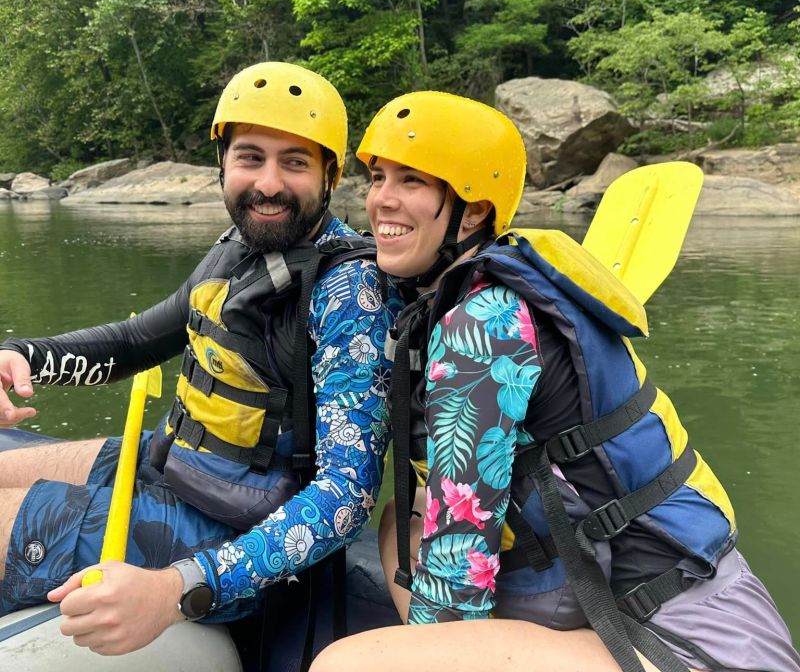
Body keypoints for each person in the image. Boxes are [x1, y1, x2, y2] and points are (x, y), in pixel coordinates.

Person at [310, 91, 799, 672]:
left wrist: (424, 649)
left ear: (472, 211)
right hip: (708, 596)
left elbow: (455, 590)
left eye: (412, 181)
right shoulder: (509, 285)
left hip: (679, 640)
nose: (381, 201)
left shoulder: (482, 323)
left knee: (343, 665)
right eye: (378, 177)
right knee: (402, 519)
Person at [0, 61, 400, 655]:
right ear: (223, 163)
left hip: (228, 536)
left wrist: (179, 588)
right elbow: (137, 342)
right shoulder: (239, 248)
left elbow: (348, 495)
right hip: (167, 467)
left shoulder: (349, 294)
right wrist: (21, 356)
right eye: (250, 157)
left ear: (329, 174)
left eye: (294, 162)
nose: (268, 183)